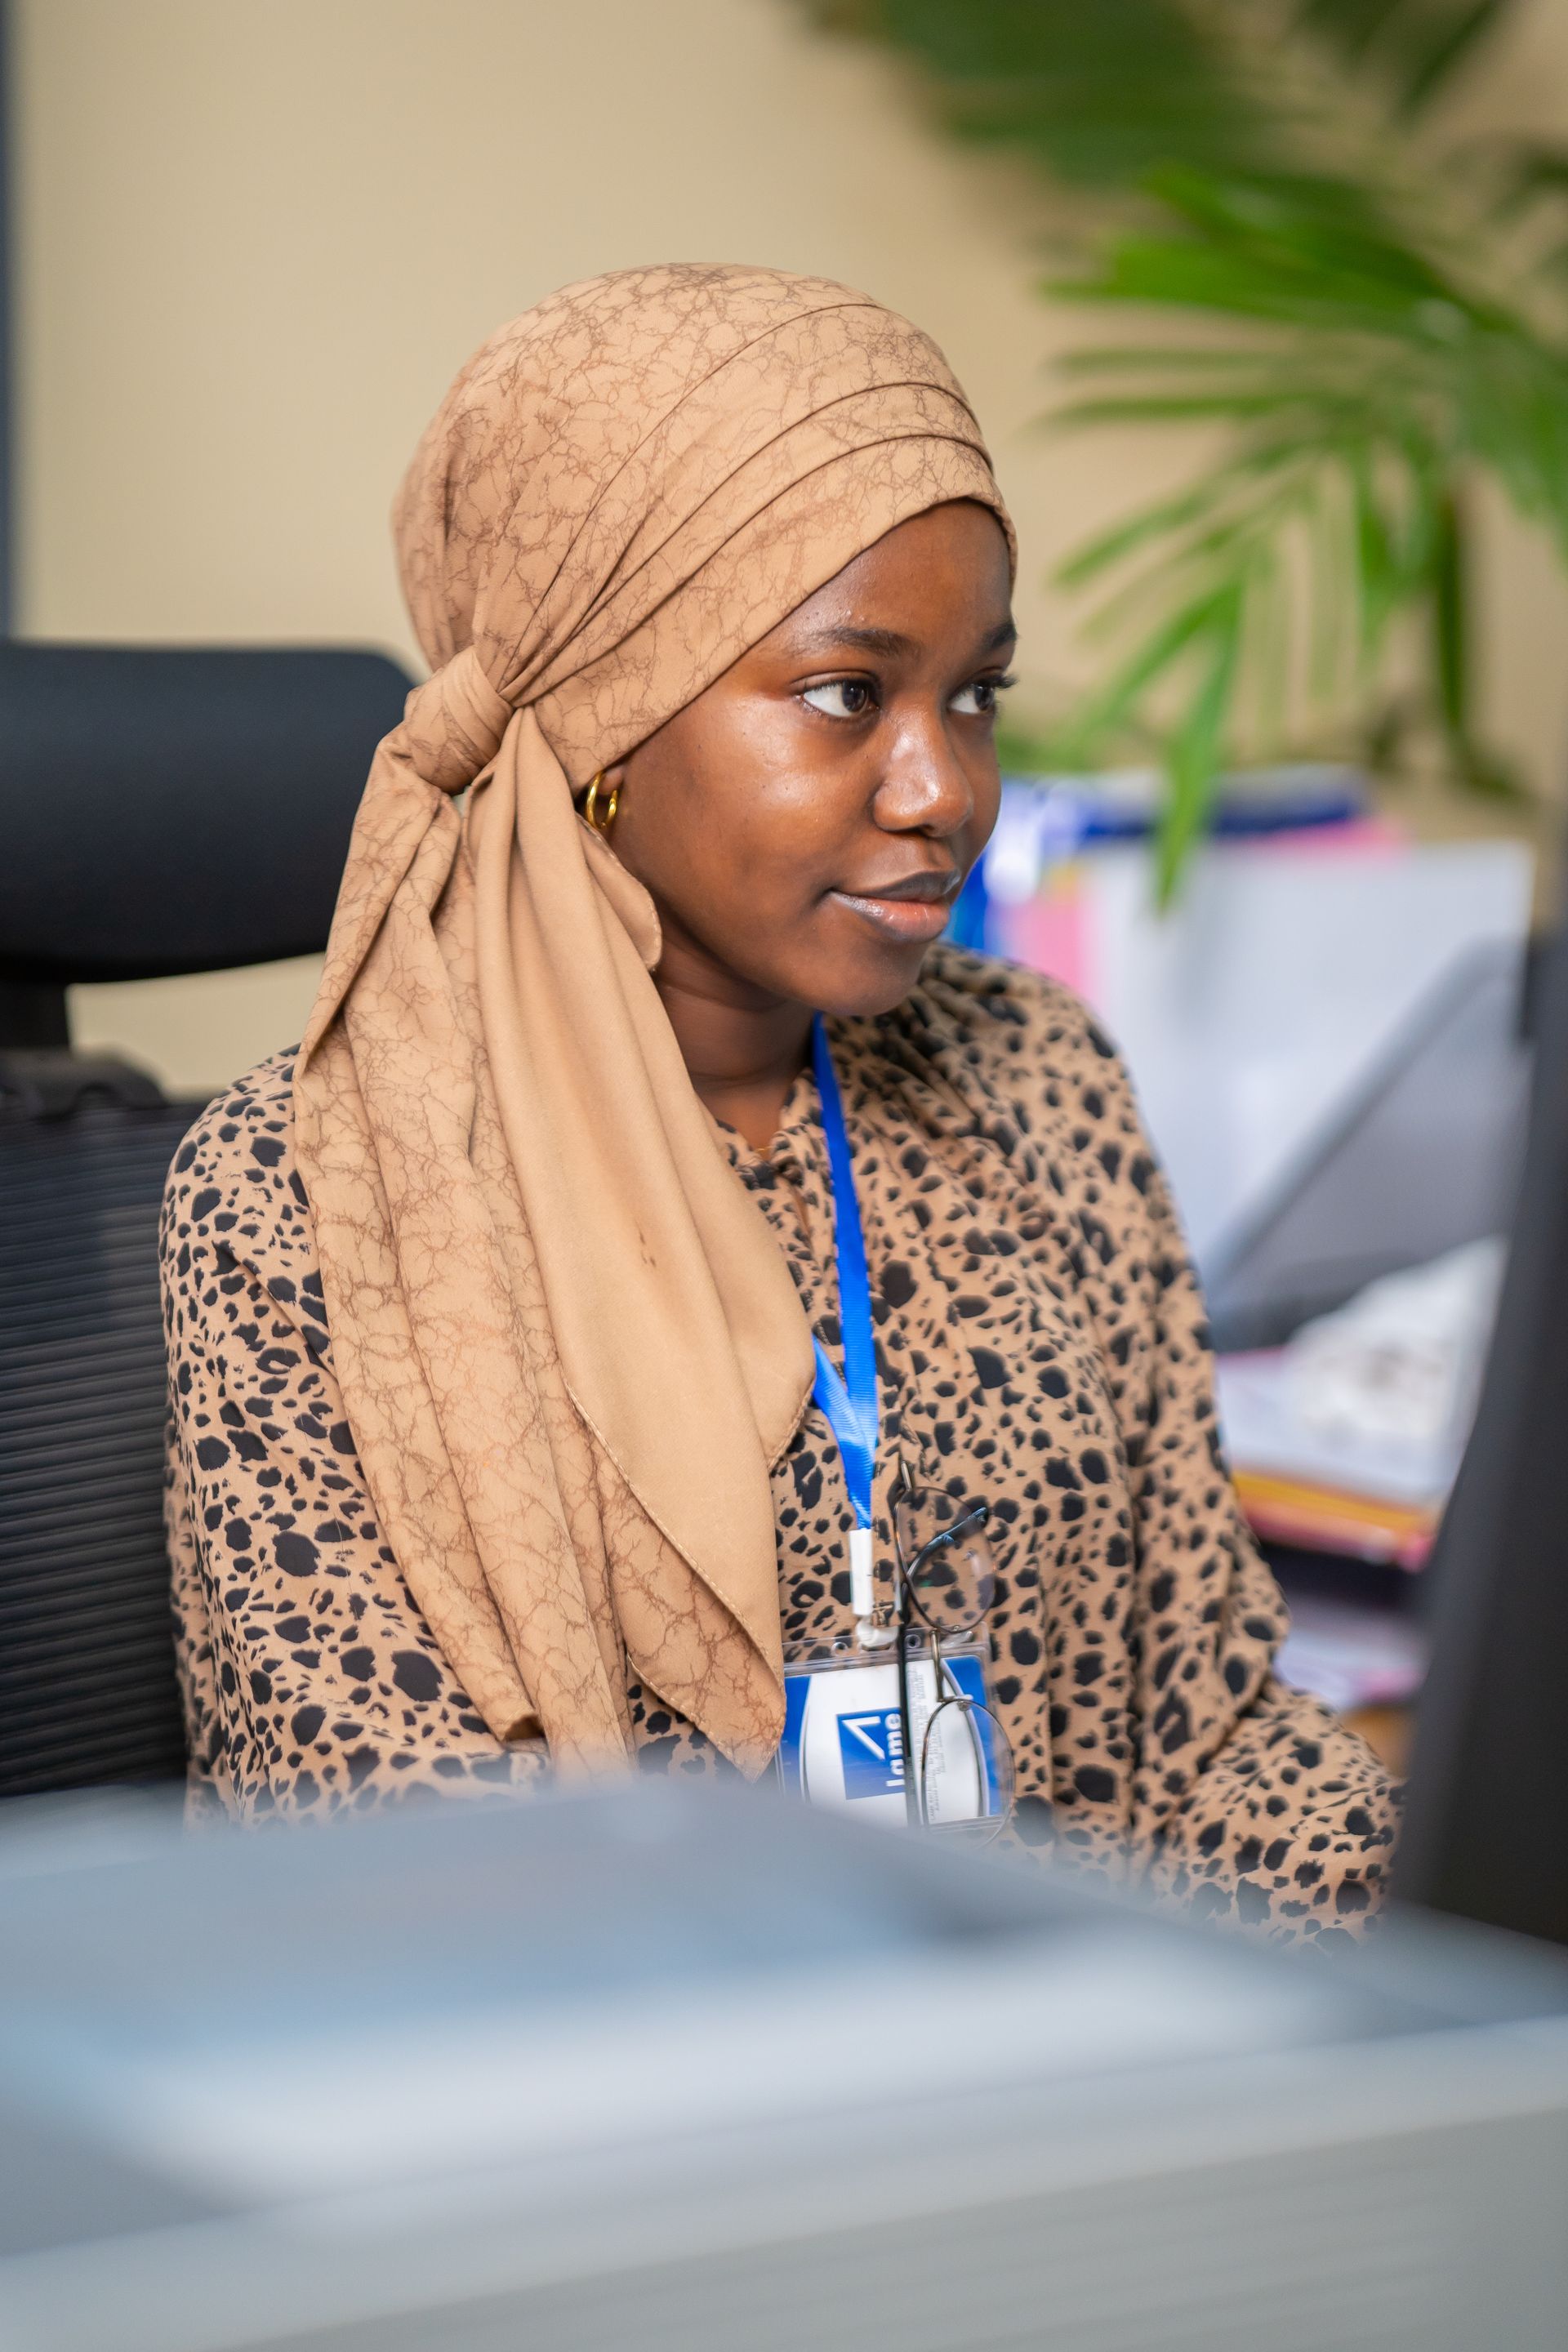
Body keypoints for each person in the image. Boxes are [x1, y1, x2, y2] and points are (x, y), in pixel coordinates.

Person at [161, 265, 1396, 1937]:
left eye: (975, 694)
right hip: (648, 2068)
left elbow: (1211, 1730)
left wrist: (1393, 1932)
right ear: (603, 715)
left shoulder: (1037, 1076)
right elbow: (393, 1879)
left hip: (1109, 2033)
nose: (943, 788)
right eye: (845, 695)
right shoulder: (311, 1191)